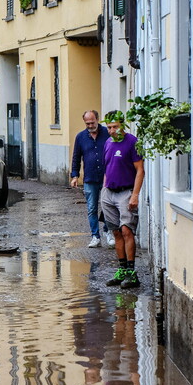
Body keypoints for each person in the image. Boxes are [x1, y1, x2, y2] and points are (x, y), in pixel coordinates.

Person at [101, 111, 145, 289]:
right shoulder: (108, 143)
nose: (112, 131)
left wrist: (135, 194)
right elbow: (107, 167)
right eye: (109, 127)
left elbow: (140, 170)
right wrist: (105, 187)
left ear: (123, 125)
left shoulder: (132, 142)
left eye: (115, 127)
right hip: (109, 192)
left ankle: (132, 274)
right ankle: (122, 270)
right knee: (116, 232)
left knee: (127, 231)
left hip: (125, 192)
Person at [70, 110, 113, 248]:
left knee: (108, 206)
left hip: (107, 177)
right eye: (87, 123)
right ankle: (95, 236)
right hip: (90, 177)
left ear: (98, 119)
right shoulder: (81, 137)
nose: (90, 125)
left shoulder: (108, 133)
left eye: (92, 122)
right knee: (92, 208)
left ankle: (108, 231)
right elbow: (76, 157)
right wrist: (75, 175)